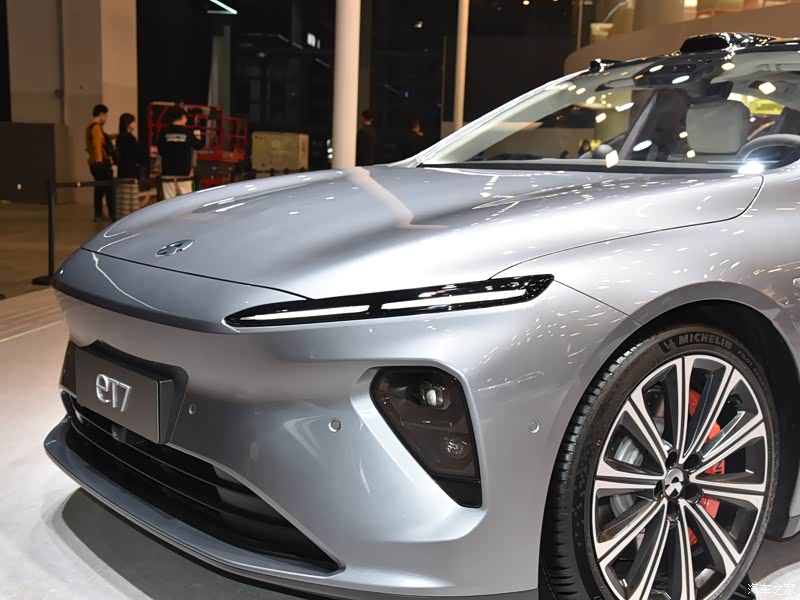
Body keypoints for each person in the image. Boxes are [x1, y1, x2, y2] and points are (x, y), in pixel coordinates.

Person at [157, 105, 204, 199]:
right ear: (182, 117)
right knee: (186, 201)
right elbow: (198, 145)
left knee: (168, 201)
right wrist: (198, 137)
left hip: (167, 171)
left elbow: (160, 149)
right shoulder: (186, 132)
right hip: (184, 172)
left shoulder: (164, 132)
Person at [86, 104, 116, 221]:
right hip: (99, 162)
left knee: (99, 189)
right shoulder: (96, 127)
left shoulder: (90, 126)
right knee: (109, 188)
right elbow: (97, 144)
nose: (106, 118)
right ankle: (112, 214)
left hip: (93, 162)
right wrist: (100, 160)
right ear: (101, 114)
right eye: (105, 115)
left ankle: (98, 214)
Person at [116, 113, 146, 218]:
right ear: (128, 124)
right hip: (131, 172)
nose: (135, 124)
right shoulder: (130, 138)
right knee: (131, 202)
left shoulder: (120, 138)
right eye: (133, 122)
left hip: (123, 172)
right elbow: (135, 155)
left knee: (123, 200)